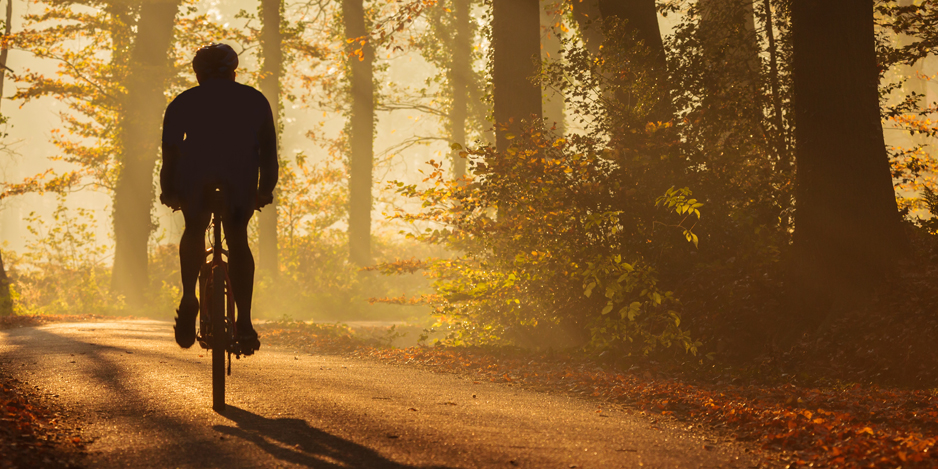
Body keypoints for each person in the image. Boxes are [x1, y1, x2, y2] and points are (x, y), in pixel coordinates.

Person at [159, 43, 278, 353]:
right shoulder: (254, 100)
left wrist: (169, 190)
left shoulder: (182, 103)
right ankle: (246, 322)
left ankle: (188, 295)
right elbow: (268, 152)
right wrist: (265, 189)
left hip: (194, 176)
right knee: (238, 237)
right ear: (233, 72)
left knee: (194, 229)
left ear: (198, 75)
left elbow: (170, 152)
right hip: (239, 177)